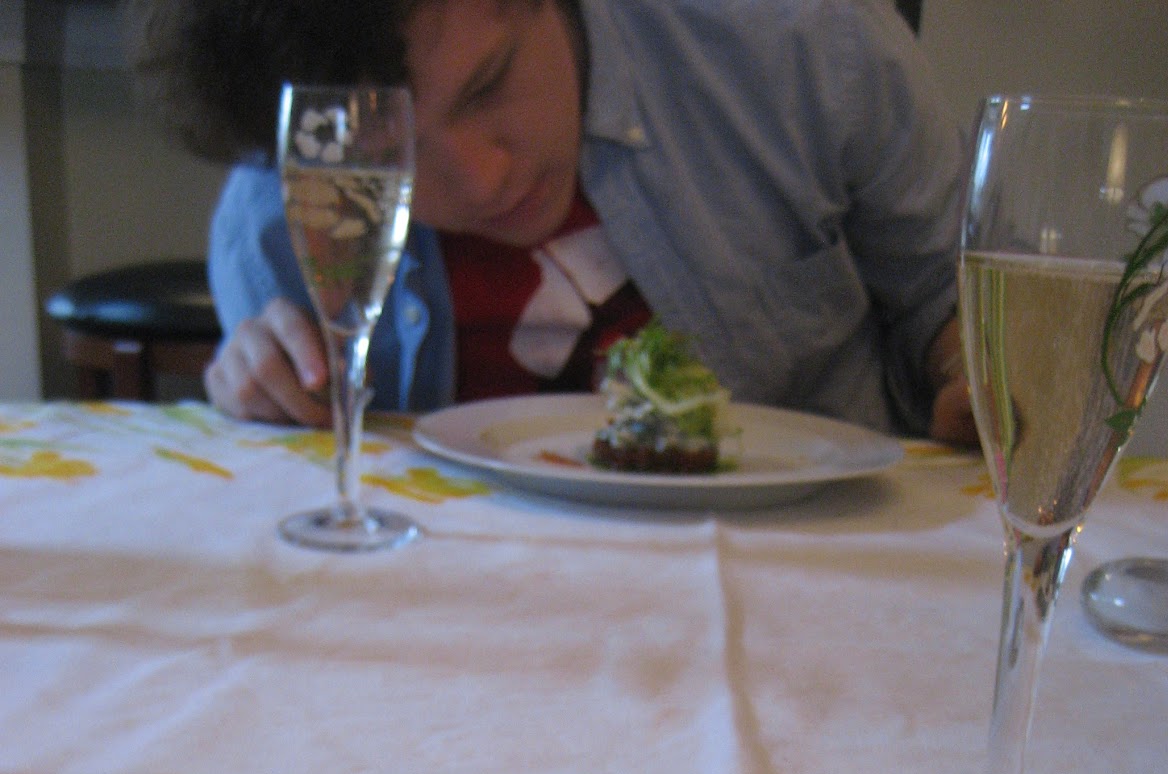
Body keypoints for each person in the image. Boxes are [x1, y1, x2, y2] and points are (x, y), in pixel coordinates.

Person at [128, 0, 976, 443]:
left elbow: (947, 298)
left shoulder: (807, 43)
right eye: (396, 154)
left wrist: (972, 372)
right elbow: (316, 486)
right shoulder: (285, 208)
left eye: (489, 84)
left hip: (800, 575)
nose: (484, 177)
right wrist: (262, 387)